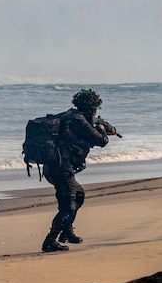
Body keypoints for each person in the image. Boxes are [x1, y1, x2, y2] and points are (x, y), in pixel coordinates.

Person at [40, 89, 116, 253]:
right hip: (61, 168)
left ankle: (66, 231)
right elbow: (101, 141)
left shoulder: (68, 115)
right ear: (92, 109)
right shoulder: (79, 121)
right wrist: (102, 128)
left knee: (78, 195)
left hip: (52, 166)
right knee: (69, 205)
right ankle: (50, 241)